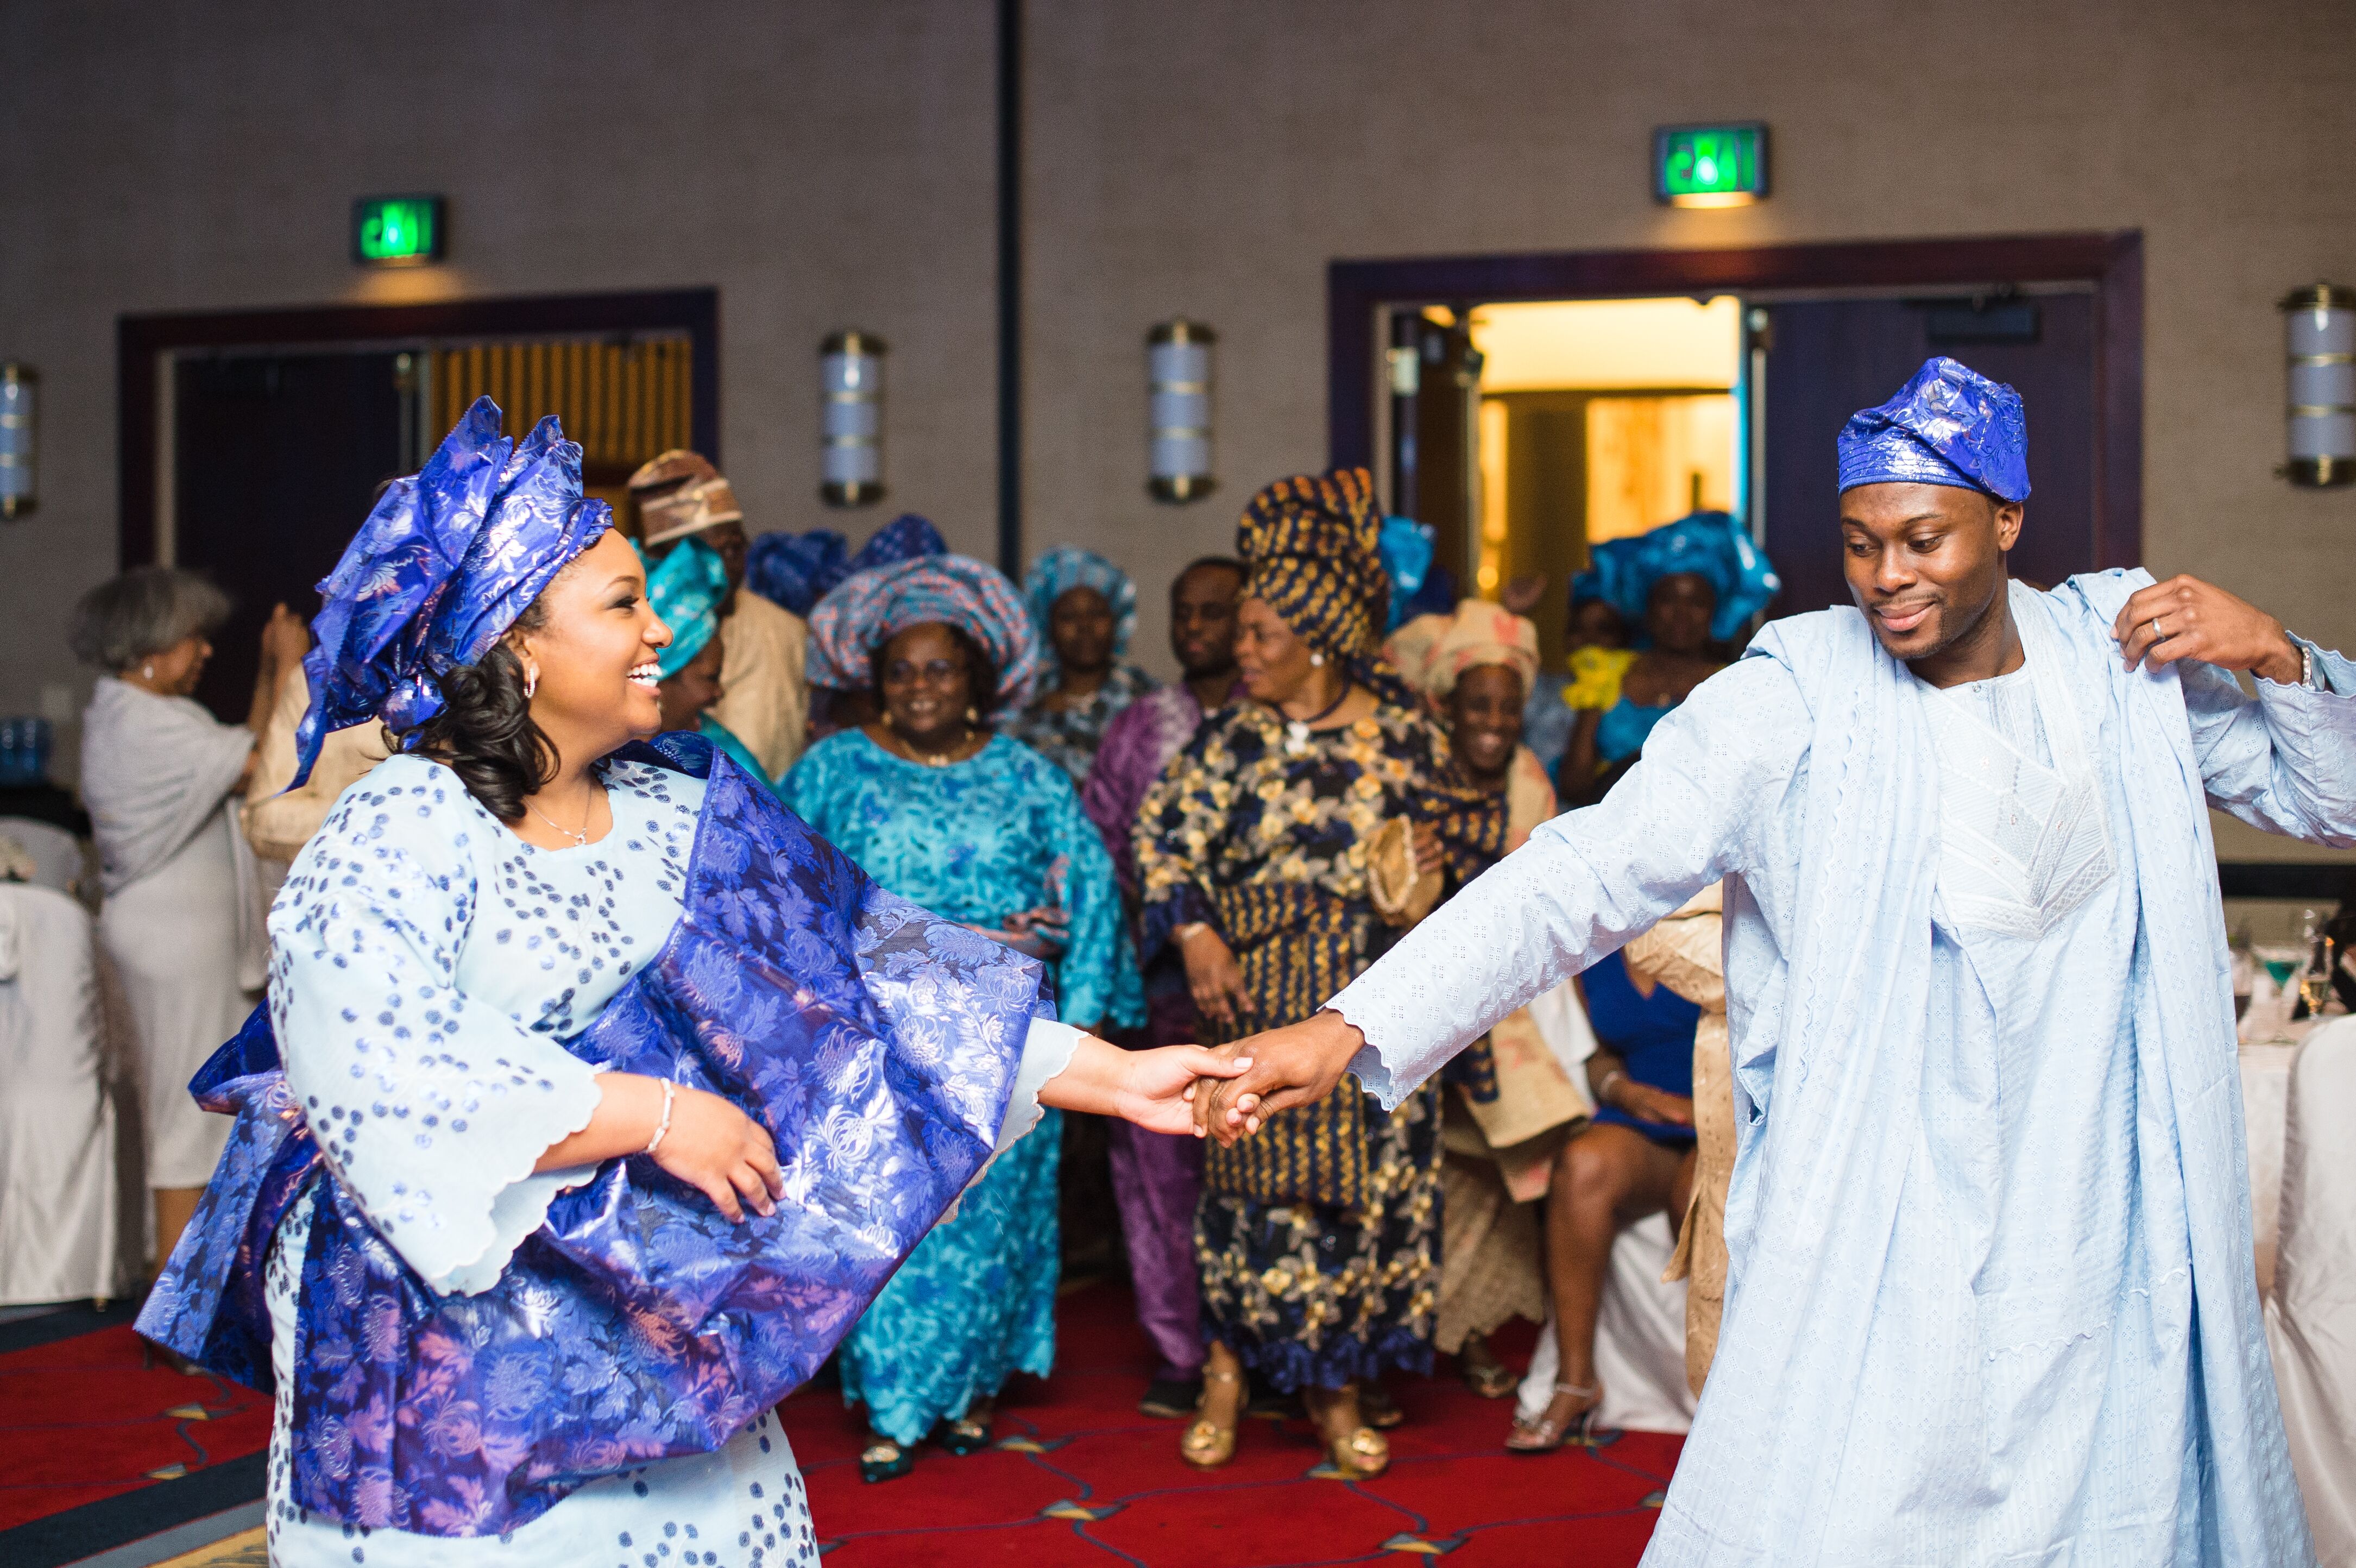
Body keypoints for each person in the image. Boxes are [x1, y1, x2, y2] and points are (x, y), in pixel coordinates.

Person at [1197, 357, 2344, 1564]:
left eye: (1923, 539)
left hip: (2104, 1214)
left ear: (2008, 520)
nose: (1887, 577)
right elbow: (1584, 871)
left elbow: (2336, 797)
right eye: (1858, 543)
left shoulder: (2127, 667)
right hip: (1885, 1211)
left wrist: (2284, 661)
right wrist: (1351, 1028)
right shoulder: (1796, 696)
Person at [136, 400, 1242, 1566]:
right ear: (515, 641)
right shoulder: (405, 822)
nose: (661, 627)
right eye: (623, 602)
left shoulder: (683, 799)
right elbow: (367, 1054)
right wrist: (653, 1113)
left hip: (655, 1322)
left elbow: (872, 969)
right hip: (448, 1357)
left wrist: (1114, 1075)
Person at [1136, 468, 1503, 1479]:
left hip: (1374, 1008)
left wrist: (1423, 886)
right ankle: (1224, 1370)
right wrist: (1197, 931)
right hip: (1252, 1002)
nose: (1239, 650)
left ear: (1320, 635)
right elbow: (1161, 839)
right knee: (1243, 1195)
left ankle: (1336, 1387)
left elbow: (1475, 862)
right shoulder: (1229, 742)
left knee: (1357, 1202)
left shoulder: (1404, 738)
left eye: (1260, 633)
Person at [788, 550, 1145, 1481]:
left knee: (987, 1220)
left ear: (977, 679)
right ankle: (895, 1405)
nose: (917, 687)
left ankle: (974, 1389)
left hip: (1003, 1039)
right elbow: (781, 890)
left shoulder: (1027, 776)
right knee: (895, 1216)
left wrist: (1092, 1016)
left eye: (939, 667)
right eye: (899, 670)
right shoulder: (832, 771)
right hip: (876, 1039)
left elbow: (1094, 886)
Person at [71, 569, 307, 1274]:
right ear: (152, 644)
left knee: (192, 1111)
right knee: (186, 1118)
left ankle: (185, 1292)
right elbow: (267, 761)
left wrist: (270, 669)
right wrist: (292, 665)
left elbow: (242, 752)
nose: (204, 650)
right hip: (176, 940)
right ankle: (179, 1309)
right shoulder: (146, 722)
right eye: (192, 637)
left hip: (168, 934)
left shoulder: (136, 715)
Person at [1385, 599, 1590, 1402]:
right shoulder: (1410, 774)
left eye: (1509, 707)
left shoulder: (1528, 781)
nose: (1495, 722)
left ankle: (1468, 1332)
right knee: (1417, 1180)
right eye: (1478, 704)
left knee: (1504, 1176)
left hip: (1499, 1007)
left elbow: (1536, 898)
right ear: (1443, 704)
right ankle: (1392, 1351)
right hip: (1410, 998)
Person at [1076, 553, 1245, 1418]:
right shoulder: (1141, 725)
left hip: (1263, 989)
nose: (1196, 626)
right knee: (1158, 1171)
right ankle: (1182, 1349)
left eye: (1216, 610)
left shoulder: (1276, 719)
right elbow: (1100, 843)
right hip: (1157, 986)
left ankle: (1265, 1346)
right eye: (1185, 609)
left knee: (1255, 1161)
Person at [1557, 511, 1782, 805]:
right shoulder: (1604, 672)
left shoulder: (1734, 686)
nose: (1681, 616)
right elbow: (1574, 787)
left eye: (1697, 602)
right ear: (1646, 604)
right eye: (1668, 599)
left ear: (1716, 610)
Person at [629, 449, 810, 778]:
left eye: (739, 548)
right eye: (720, 552)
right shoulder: (633, 636)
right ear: (667, 561)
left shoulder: (781, 631)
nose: (734, 565)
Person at [1005, 546, 1157, 784]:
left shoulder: (1149, 701)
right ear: (1047, 626)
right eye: (1068, 616)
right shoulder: (1022, 704)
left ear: (1116, 619)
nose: (1084, 626)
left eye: (1096, 613)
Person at [645, 535, 775, 790]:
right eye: (710, 678)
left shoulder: (720, 758)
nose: (719, 693)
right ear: (663, 676)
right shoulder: (602, 754)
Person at [1521, 591, 1631, 777]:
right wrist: (1515, 614)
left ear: (1623, 638)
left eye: (1603, 629)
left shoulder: (1634, 700)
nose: (1589, 639)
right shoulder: (1540, 689)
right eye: (1578, 629)